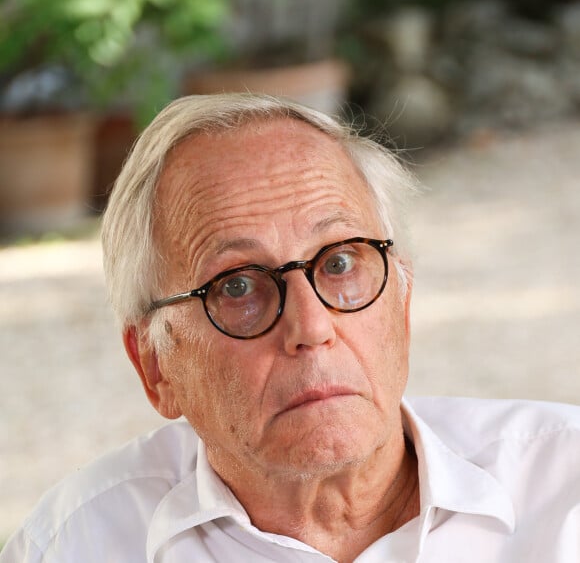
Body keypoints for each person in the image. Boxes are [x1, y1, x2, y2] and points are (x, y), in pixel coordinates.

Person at [2, 93, 580, 563]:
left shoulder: (564, 492)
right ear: (156, 368)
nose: (311, 326)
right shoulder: (74, 546)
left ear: (401, 304)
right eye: (237, 286)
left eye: (340, 263)